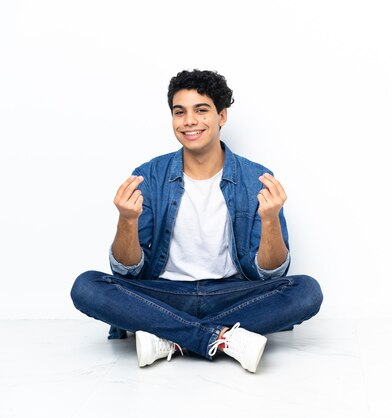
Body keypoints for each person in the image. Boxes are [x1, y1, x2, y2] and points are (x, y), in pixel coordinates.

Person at [70, 70, 323, 373]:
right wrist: (126, 220)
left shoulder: (255, 178)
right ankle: (218, 338)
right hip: (165, 295)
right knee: (86, 286)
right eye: (180, 112)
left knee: (307, 291)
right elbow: (127, 270)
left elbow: (271, 274)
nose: (189, 121)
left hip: (229, 295)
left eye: (201, 110)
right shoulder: (149, 176)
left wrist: (270, 220)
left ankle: (171, 337)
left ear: (222, 116)